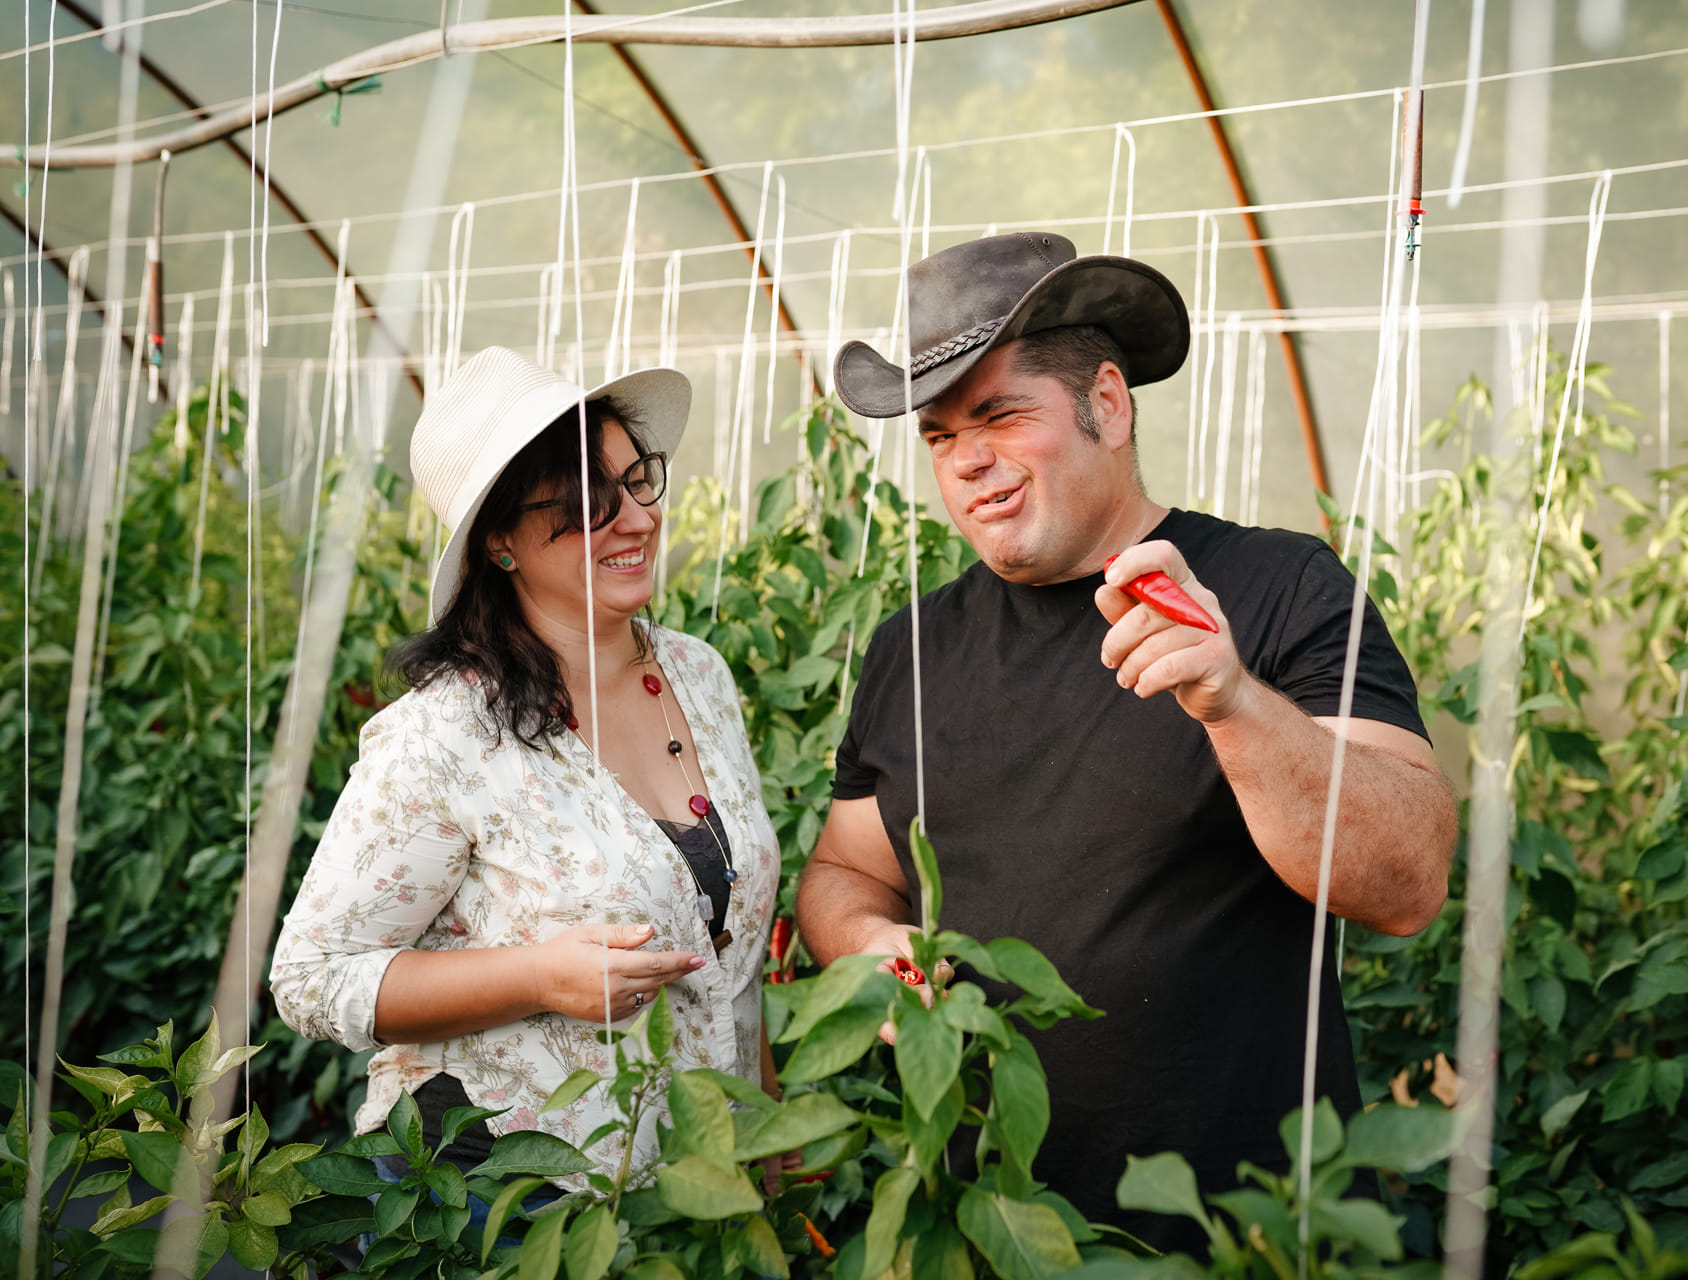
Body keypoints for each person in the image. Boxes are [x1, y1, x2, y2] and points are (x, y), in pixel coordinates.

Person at [797, 232, 1457, 1245]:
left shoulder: (1280, 590)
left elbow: (1406, 878)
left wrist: (1234, 698)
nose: (967, 458)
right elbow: (845, 871)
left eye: (1001, 413)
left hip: (1246, 1231)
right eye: (938, 435)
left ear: (1108, 400)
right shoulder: (913, 647)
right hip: (999, 1230)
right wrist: (869, 942)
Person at [272, 347, 784, 1191]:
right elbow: (311, 979)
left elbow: (726, 947)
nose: (636, 520)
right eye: (587, 502)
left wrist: (760, 1120)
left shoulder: (697, 677)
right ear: (501, 541)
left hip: (685, 1188)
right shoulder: (444, 735)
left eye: (637, 480)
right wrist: (540, 976)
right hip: (502, 1196)